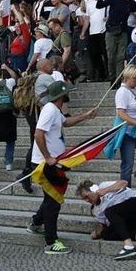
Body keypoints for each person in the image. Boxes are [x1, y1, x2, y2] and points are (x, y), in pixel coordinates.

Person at [27, 81, 97, 255]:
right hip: (47, 164)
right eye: (67, 94)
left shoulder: (55, 110)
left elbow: (66, 122)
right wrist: (48, 157)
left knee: (51, 198)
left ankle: (36, 223)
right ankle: (51, 242)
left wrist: (86, 116)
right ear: (61, 96)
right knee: (54, 202)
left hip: (55, 162)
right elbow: (38, 133)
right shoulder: (50, 109)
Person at [77, 179, 136, 261]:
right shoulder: (96, 210)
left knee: (110, 211)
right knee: (106, 234)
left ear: (93, 189)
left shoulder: (103, 186)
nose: (87, 200)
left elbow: (124, 182)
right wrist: (96, 233)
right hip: (132, 219)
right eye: (84, 199)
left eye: (87, 196)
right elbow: (104, 226)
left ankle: (129, 246)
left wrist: (105, 190)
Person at [96, 0, 136, 82]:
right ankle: (112, 77)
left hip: (123, 31)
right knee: (111, 55)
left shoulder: (131, 3)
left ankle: (118, 79)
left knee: (121, 56)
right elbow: (99, 5)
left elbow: (135, 10)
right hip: (110, 30)